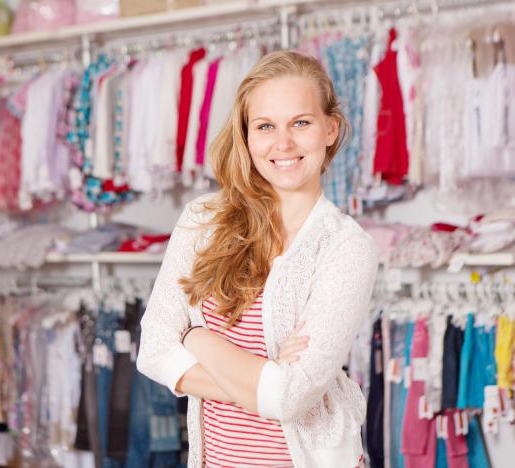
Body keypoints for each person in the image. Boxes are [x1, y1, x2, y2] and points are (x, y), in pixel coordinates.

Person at [137, 50, 379, 468]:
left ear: (330, 129)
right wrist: (263, 376)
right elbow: (154, 352)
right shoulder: (203, 221)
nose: (282, 143)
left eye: (300, 123)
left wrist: (196, 339)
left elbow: (290, 398)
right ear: (247, 136)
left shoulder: (346, 247)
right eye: (265, 126)